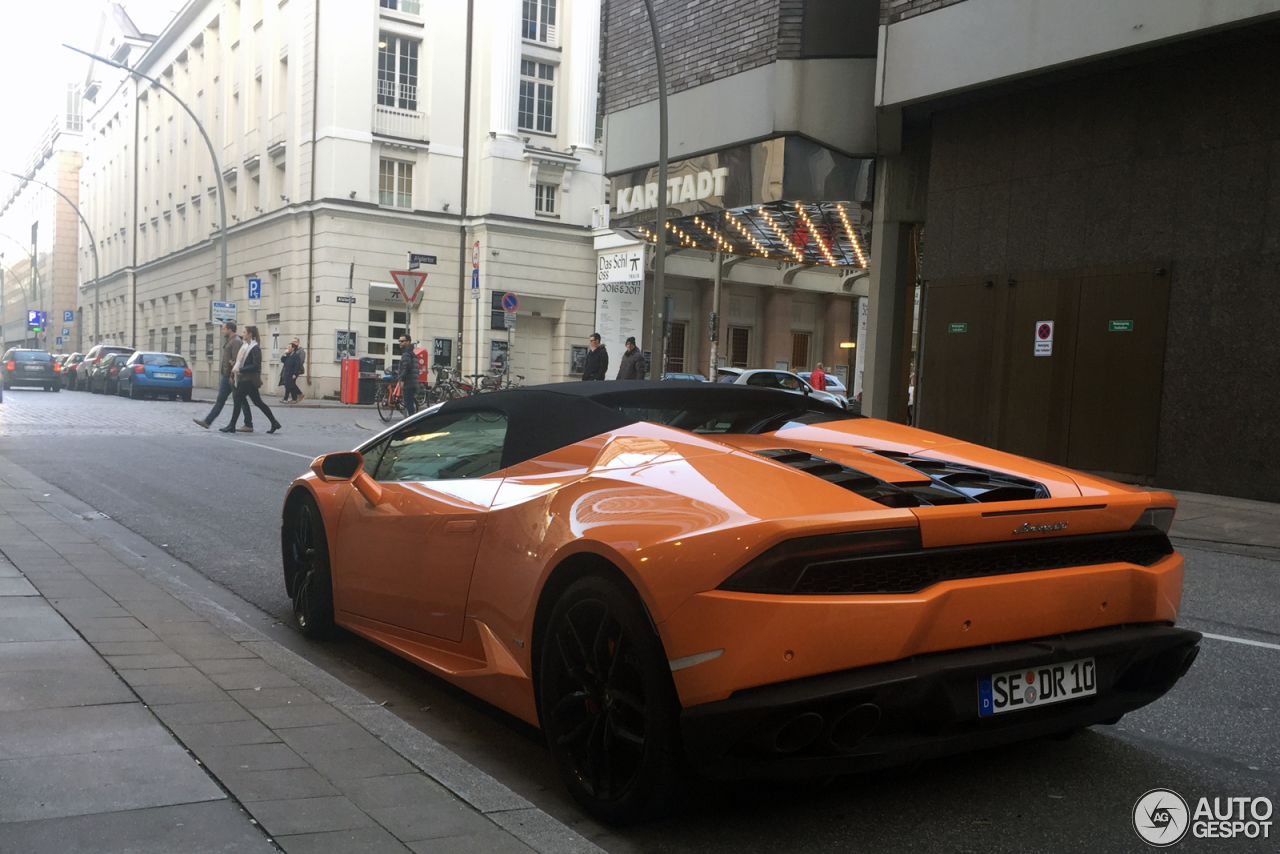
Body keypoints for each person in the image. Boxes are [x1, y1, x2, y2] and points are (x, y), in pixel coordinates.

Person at [222, 326, 282, 434]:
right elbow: (244, 361)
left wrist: (240, 369)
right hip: (246, 379)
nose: (243, 334)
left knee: (238, 398)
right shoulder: (246, 346)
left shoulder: (255, 348)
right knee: (258, 402)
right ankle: (274, 422)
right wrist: (235, 364)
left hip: (249, 380)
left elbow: (256, 366)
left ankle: (232, 425)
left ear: (250, 334)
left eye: (244, 332)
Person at [193, 321, 242, 429]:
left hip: (231, 376)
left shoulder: (236, 341)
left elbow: (235, 360)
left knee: (240, 401)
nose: (223, 331)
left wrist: (232, 376)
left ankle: (243, 423)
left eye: (224, 329)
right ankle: (207, 421)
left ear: (230, 329)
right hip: (226, 375)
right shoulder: (230, 341)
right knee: (221, 400)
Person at [397, 335, 420, 417]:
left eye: (402, 341)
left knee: (408, 404)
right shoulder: (412, 353)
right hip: (413, 381)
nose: (400, 343)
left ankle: (411, 422)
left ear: (408, 342)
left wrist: (402, 379)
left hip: (409, 382)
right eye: (399, 341)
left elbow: (406, 367)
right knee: (409, 402)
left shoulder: (406, 353)